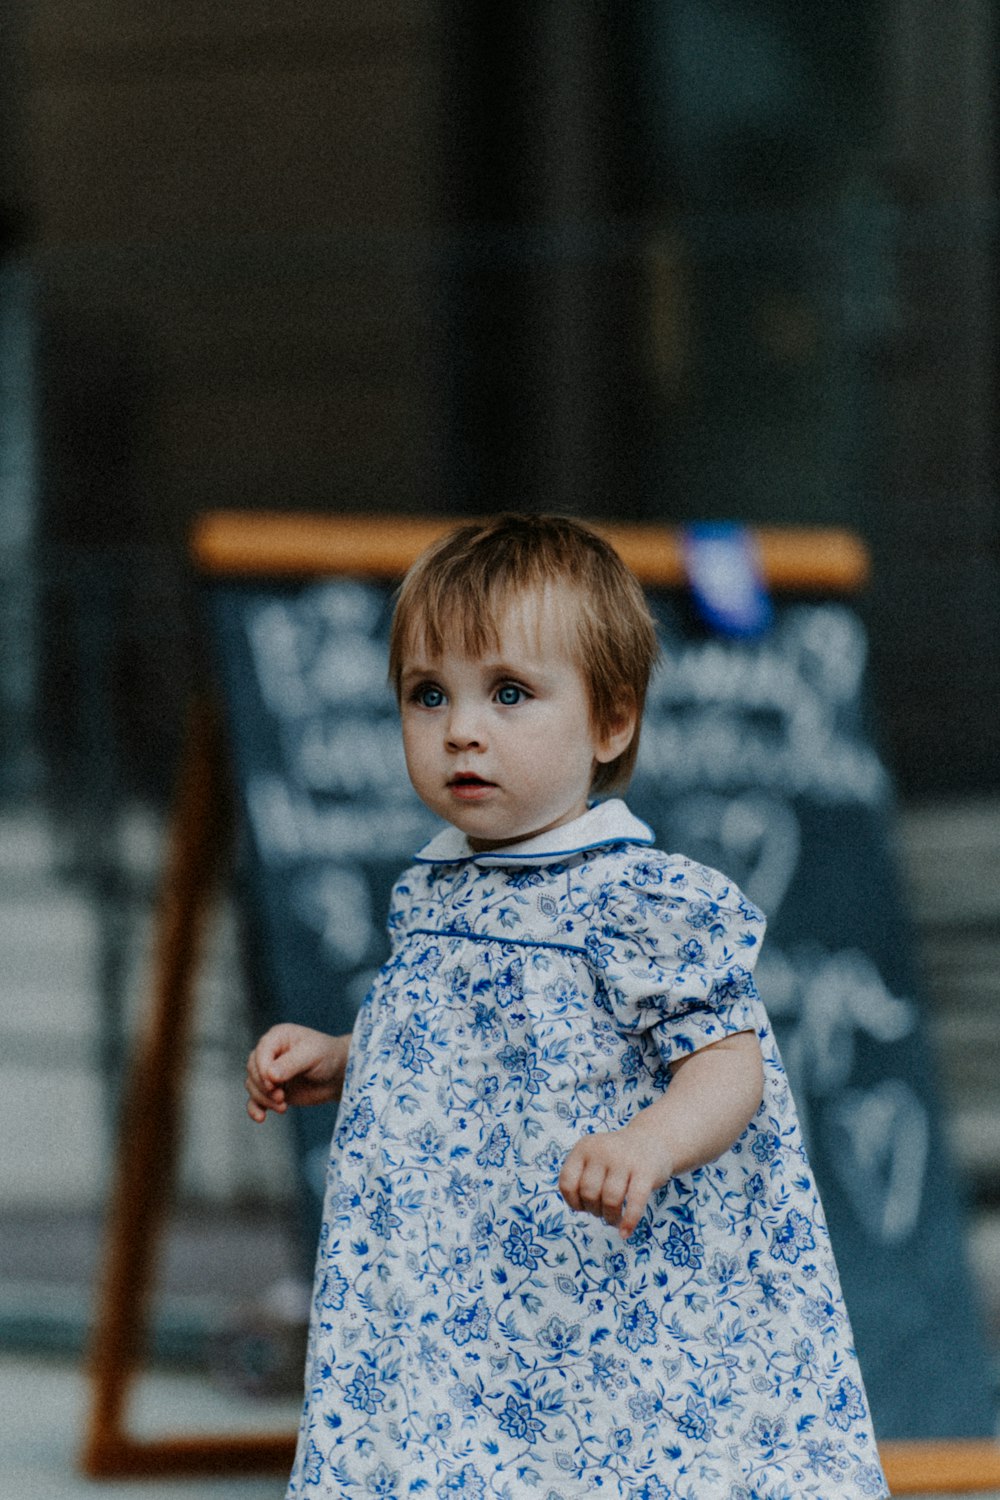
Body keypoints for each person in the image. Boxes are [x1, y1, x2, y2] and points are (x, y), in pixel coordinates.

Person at [246, 514, 887, 1499]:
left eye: (508, 693)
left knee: (591, 1458)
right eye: (428, 695)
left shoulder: (634, 898)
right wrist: (344, 1056)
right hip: (455, 1282)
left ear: (609, 722)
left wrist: (651, 1142)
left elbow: (729, 1065)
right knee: (464, 1453)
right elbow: (450, 1041)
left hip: (590, 1278)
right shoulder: (437, 888)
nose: (461, 727)